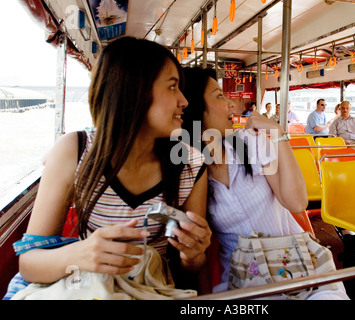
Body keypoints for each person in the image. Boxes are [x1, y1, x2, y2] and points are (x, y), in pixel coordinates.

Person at [7, 37, 211, 298]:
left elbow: (192, 268)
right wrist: (81, 254)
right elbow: (29, 264)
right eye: (172, 87)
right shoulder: (75, 150)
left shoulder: (191, 166)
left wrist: (193, 254)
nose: (184, 100)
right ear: (134, 90)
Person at [180, 67, 348, 300]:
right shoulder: (190, 171)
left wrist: (278, 133)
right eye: (219, 96)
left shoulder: (250, 143)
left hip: (298, 265)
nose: (230, 104)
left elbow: (297, 202)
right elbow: (197, 250)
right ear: (196, 110)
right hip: (246, 280)